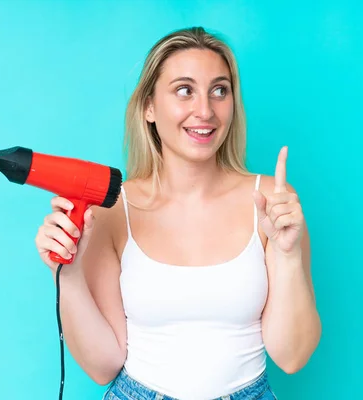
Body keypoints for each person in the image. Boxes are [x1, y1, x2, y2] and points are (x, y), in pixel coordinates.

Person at [34, 26, 321, 400]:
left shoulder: (272, 201)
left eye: (220, 90)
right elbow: (103, 365)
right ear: (149, 107)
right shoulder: (114, 209)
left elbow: (292, 356)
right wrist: (67, 277)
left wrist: (286, 256)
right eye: (184, 90)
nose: (205, 110)